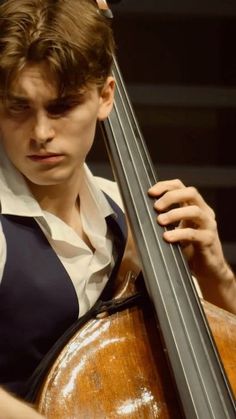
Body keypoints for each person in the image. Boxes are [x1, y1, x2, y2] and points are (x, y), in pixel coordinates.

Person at [0, 0, 235, 416]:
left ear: (106, 96)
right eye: (18, 107)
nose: (40, 133)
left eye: (62, 107)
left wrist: (217, 278)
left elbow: (225, 353)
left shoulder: (131, 209)